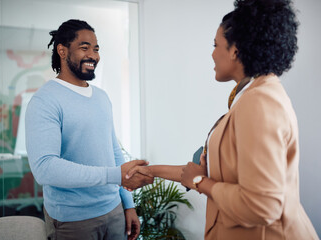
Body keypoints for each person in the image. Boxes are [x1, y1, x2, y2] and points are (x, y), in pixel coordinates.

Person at [126, 0, 319, 239]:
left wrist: (199, 182)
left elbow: (262, 205)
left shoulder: (259, 101)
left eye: (215, 45)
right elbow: (200, 170)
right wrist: (149, 171)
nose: (212, 53)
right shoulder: (248, 97)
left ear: (235, 50)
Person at [25, 19, 153, 240]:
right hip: (73, 220)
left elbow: (113, 151)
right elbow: (45, 168)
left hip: (113, 210)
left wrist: (127, 204)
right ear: (62, 51)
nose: (93, 55)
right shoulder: (45, 100)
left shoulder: (101, 97)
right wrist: (116, 175)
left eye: (96, 49)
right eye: (84, 48)